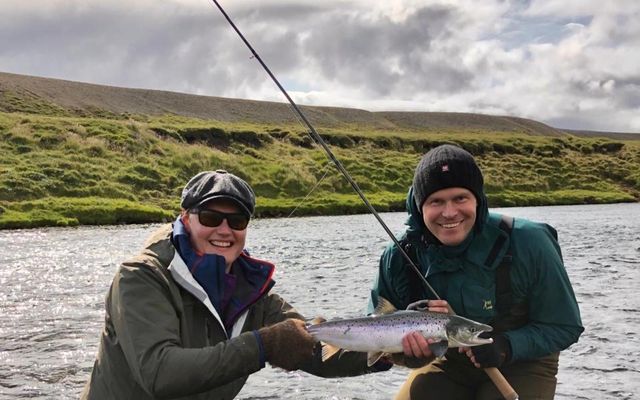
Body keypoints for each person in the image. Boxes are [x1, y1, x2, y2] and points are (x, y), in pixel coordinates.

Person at [82, 169, 390, 400]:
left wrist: (388, 351)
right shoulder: (141, 277)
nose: (225, 230)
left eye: (237, 221)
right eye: (211, 217)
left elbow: (313, 351)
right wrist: (261, 345)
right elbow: (159, 373)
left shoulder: (253, 293)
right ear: (185, 219)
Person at [369, 145, 584, 400]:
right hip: (447, 364)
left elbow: (564, 326)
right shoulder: (398, 256)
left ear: (478, 201)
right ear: (419, 207)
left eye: (460, 198)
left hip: (524, 362)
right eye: (436, 201)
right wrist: (405, 353)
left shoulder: (531, 242)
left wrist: (507, 346)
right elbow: (372, 329)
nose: (449, 213)